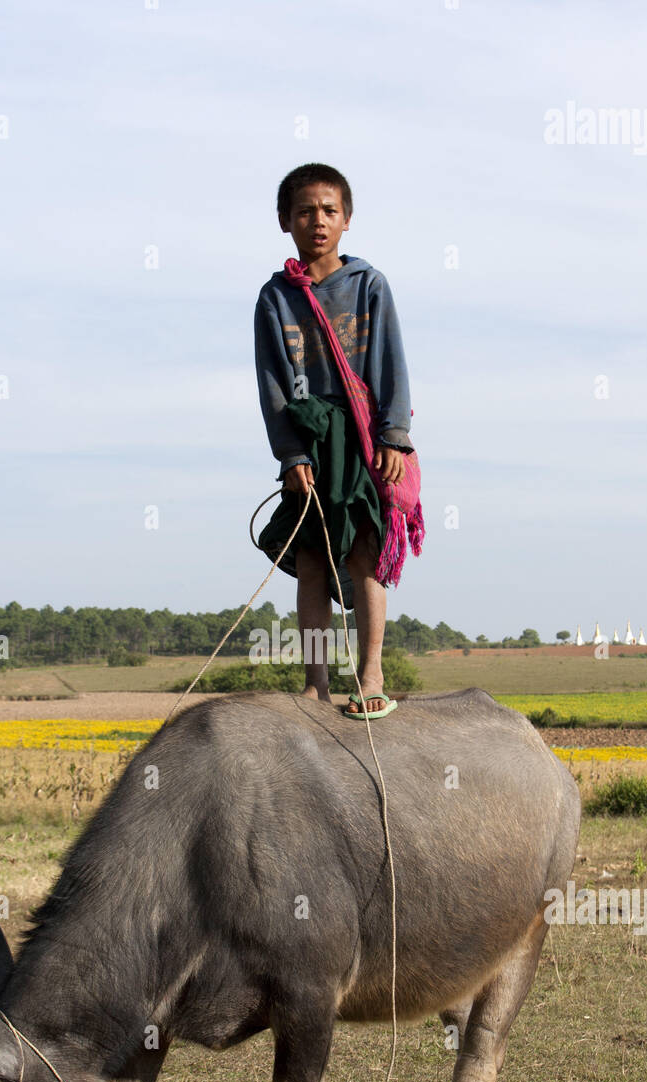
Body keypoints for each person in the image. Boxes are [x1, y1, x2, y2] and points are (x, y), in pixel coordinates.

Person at [254, 162, 415, 718]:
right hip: (308, 436)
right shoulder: (275, 298)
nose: (316, 221)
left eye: (328, 211)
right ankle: (315, 683)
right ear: (284, 221)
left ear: (346, 219)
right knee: (313, 557)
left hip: (363, 436)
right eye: (304, 212)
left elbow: (391, 362)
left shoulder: (369, 284)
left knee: (365, 551)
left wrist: (393, 437)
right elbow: (271, 381)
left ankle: (370, 675)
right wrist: (291, 452)